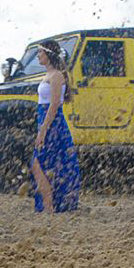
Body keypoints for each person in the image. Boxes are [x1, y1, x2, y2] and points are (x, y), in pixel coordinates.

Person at [31, 40, 81, 213]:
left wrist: (43, 130)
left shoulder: (57, 76)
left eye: (40, 52)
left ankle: (51, 206)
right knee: (42, 163)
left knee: (41, 163)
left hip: (53, 124)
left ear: (48, 54)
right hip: (44, 120)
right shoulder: (48, 75)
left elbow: (54, 105)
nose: (38, 55)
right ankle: (48, 205)